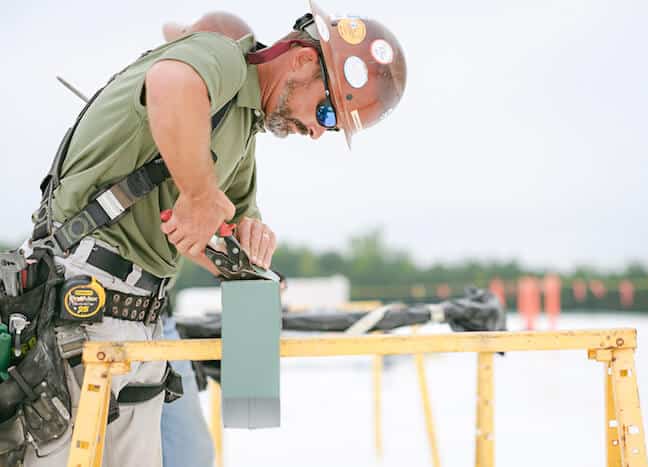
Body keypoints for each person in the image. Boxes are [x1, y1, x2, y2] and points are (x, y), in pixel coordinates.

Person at [21, 1, 406, 466]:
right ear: (304, 59)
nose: (318, 132)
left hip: (136, 320)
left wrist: (250, 259)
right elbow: (170, 82)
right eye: (327, 113)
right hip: (84, 303)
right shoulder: (224, 58)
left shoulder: (242, 129)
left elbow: (227, 232)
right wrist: (200, 193)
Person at [158, 12, 256, 467]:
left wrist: (251, 269)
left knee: (191, 454)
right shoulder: (163, 114)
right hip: (111, 312)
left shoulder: (234, 136)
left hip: (156, 313)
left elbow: (225, 227)